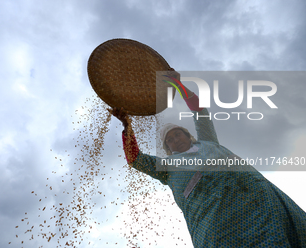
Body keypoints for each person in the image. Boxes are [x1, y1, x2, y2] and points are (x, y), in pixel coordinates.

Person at [111, 83, 306, 247]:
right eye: (169, 140)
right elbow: (135, 159)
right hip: (213, 220)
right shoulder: (167, 167)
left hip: (253, 200)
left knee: (274, 236)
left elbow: (199, 109)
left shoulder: (207, 141)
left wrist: (178, 85)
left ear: (188, 135)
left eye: (177, 133)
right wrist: (127, 127)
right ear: (168, 148)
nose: (175, 139)